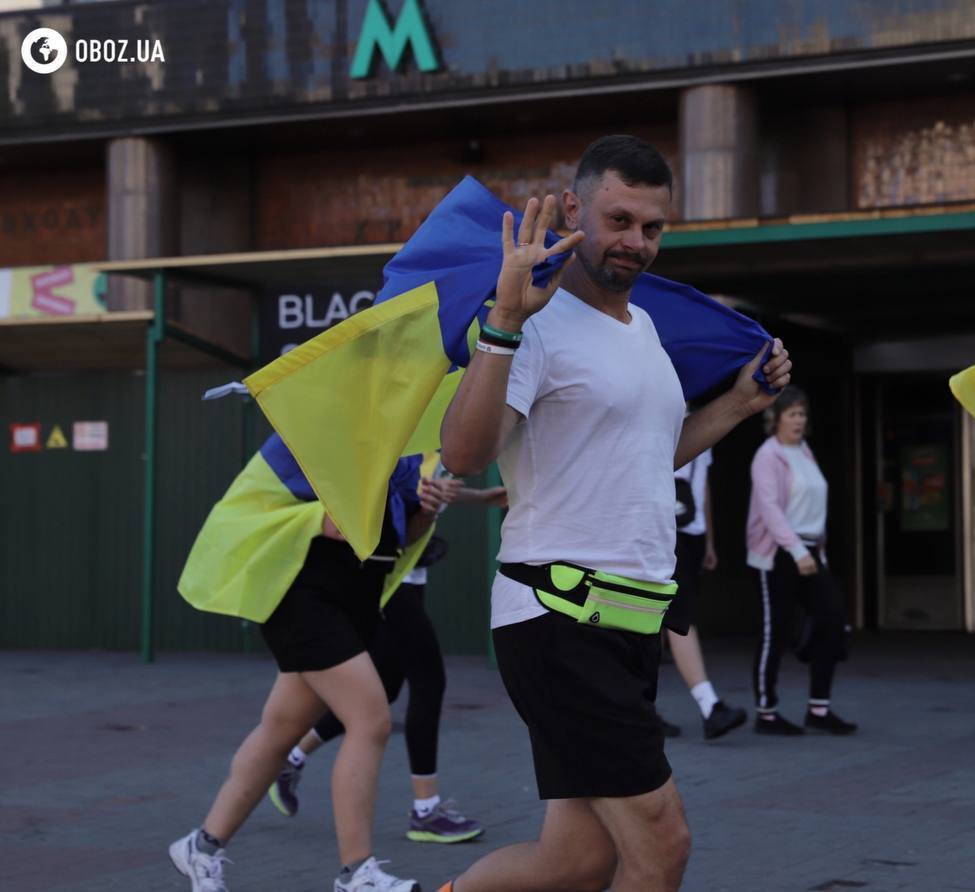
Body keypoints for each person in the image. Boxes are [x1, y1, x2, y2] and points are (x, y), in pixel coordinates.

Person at [436, 134, 791, 892]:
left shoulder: (645, 330)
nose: (635, 242)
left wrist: (738, 403)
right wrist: (503, 321)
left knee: (578, 860)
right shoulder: (532, 322)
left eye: (652, 227)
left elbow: (647, 454)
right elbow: (465, 454)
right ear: (573, 210)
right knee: (662, 848)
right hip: (559, 617)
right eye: (618, 219)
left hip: (629, 625)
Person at [170, 439, 436, 892]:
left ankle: (202, 847)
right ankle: (357, 874)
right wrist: (318, 517)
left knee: (280, 730)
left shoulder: (404, 443)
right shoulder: (307, 424)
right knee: (370, 719)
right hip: (303, 592)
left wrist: (426, 510)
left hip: (360, 595)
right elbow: (248, 508)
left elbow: (402, 534)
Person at [269, 470, 506, 845]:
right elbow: (406, 488)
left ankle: (292, 759)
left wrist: (480, 497)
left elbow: (428, 490)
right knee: (429, 681)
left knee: (388, 686)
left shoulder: (429, 445)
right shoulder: (404, 434)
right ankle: (425, 810)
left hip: (408, 582)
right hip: (390, 584)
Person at [746, 386, 855, 736]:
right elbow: (770, 509)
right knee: (773, 633)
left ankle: (818, 708)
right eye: (791, 414)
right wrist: (796, 552)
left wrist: (814, 554)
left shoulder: (804, 451)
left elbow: (813, 507)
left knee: (833, 620)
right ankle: (766, 713)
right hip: (779, 553)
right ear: (775, 418)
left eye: (802, 414)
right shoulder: (767, 455)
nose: (798, 420)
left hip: (810, 551)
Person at [661, 446, 748, 740]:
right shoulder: (663, 417)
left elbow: (704, 487)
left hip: (691, 532)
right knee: (679, 619)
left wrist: (708, 539)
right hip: (668, 532)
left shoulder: (703, 428)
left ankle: (641, 707)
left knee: (662, 618)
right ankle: (709, 704)